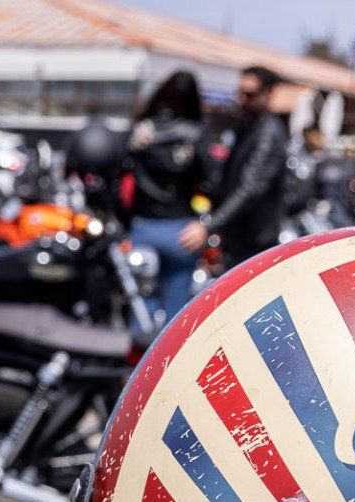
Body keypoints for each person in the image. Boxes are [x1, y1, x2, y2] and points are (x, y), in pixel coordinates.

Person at [123, 70, 216, 324]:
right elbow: (213, 182)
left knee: (141, 309)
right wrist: (205, 224)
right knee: (178, 315)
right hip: (181, 231)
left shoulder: (142, 132)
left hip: (143, 226)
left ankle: (138, 362)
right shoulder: (197, 133)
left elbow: (119, 172)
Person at [184, 64, 288, 271]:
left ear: (267, 94)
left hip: (255, 242)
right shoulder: (246, 127)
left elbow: (250, 188)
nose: (241, 99)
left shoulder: (268, 133)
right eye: (240, 92)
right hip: (236, 238)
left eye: (249, 94)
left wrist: (209, 225)